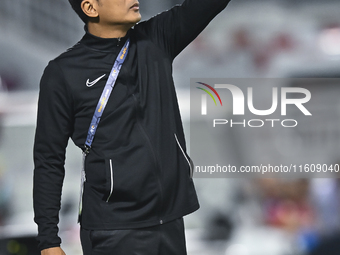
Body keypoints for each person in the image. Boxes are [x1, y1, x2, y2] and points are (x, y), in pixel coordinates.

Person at [33, 0, 231, 254]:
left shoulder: (157, 38)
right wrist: (48, 240)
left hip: (170, 220)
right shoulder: (62, 73)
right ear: (91, 8)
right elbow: (49, 159)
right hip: (113, 229)